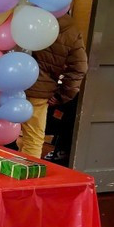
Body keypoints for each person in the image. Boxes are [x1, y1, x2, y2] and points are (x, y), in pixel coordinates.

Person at [18, 14, 87, 159]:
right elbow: (79, 68)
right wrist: (62, 96)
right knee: (33, 137)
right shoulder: (71, 31)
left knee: (10, 133)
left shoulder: (29, 16)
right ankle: (25, 170)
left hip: (11, 81)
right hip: (39, 90)